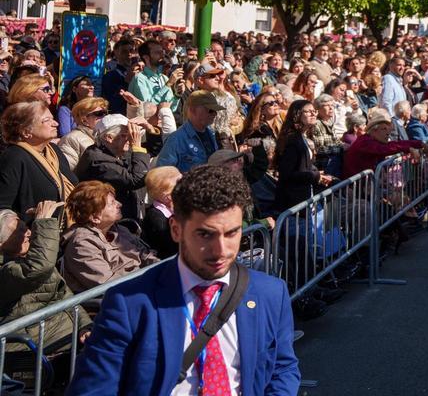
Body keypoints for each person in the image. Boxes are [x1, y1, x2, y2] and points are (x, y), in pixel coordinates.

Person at [66, 164, 301, 395]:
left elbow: (283, 368)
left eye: (232, 233)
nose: (220, 250)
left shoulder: (270, 293)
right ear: (176, 229)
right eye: (205, 234)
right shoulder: (130, 303)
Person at [0, 200, 87, 356]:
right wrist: (43, 221)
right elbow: (38, 268)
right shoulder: (6, 271)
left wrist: (86, 326)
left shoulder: (27, 260)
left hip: (65, 337)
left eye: (26, 227)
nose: (28, 232)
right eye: (18, 231)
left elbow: (65, 297)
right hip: (34, 351)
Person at [61, 180, 158, 292]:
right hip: (121, 300)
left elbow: (144, 255)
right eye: (112, 203)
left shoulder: (119, 230)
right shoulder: (81, 246)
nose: (119, 204)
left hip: (143, 286)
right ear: (95, 217)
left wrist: (165, 269)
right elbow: (108, 284)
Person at [0, 101, 76, 220]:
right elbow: (3, 207)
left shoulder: (54, 151)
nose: (56, 123)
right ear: (26, 132)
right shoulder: (14, 158)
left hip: (64, 231)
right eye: (47, 120)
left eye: (53, 119)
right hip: (33, 234)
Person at [75, 114, 153, 220]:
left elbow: (150, 154)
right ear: (109, 138)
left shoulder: (117, 150)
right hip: (108, 224)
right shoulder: (97, 160)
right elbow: (136, 179)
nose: (129, 140)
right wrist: (137, 146)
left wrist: (150, 129)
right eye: (125, 135)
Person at [273, 100, 333, 213]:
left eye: (314, 111)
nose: (314, 114)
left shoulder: (302, 137)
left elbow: (306, 166)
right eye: (308, 112)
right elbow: (287, 174)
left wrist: (317, 175)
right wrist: (314, 175)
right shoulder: (292, 140)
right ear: (297, 115)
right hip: (292, 203)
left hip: (303, 197)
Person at [343, 107, 426, 178]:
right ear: (374, 131)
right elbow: (384, 149)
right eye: (383, 129)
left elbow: (394, 144)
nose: (388, 133)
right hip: (355, 188)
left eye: (388, 129)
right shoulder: (365, 141)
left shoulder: (374, 140)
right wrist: (409, 148)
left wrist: (419, 143)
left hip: (365, 185)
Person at [157, 90, 225, 173]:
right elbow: (162, 174)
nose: (215, 114)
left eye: (215, 111)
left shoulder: (212, 134)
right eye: (210, 110)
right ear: (193, 110)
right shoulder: (176, 140)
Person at [59, 95, 108, 170]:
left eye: (105, 113)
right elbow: (67, 172)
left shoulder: (106, 137)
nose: (104, 117)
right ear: (84, 120)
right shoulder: (71, 139)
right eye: (99, 114)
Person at [142, 165, 181, 258]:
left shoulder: (176, 208)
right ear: (167, 196)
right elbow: (172, 249)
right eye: (180, 186)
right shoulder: (157, 218)